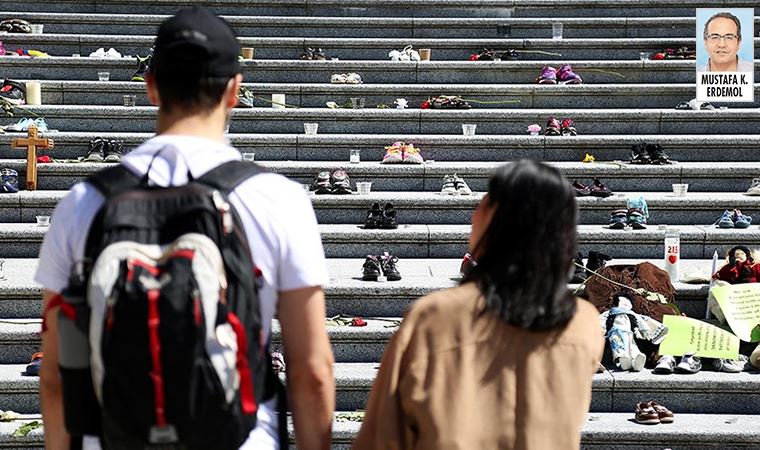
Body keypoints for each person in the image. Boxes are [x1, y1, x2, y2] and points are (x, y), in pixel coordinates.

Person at [37, 7, 335, 450]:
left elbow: (57, 376)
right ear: (235, 90)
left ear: (151, 86)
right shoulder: (279, 200)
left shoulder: (85, 203)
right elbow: (311, 371)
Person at [353, 160, 604, 450]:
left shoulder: (434, 317)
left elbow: (382, 436)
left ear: (491, 216)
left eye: (483, 203)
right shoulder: (584, 323)